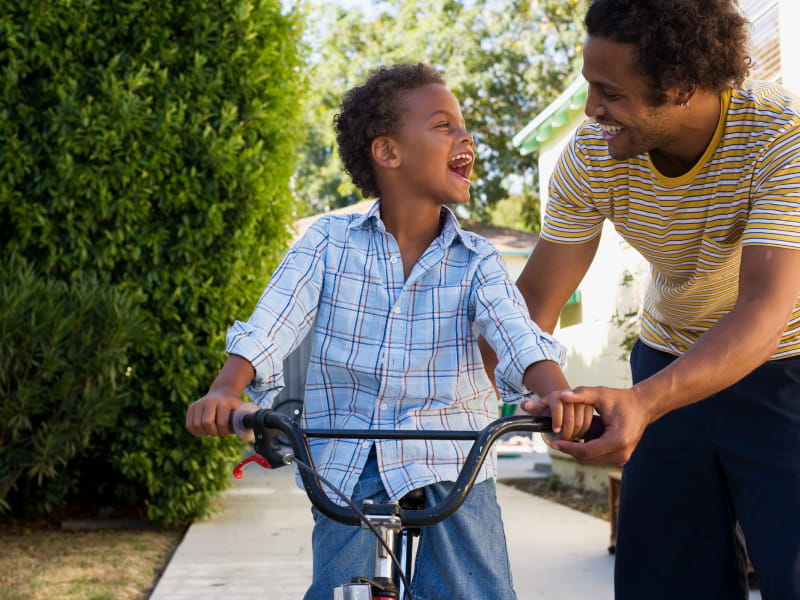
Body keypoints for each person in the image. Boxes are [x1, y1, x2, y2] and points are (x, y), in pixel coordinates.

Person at [185, 63, 592, 600]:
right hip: (346, 460)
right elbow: (273, 322)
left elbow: (517, 335)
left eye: (463, 126)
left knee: (475, 588)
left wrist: (557, 392)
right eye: (444, 125)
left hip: (454, 460)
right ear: (388, 152)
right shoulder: (329, 242)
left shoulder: (477, 259)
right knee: (339, 587)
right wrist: (226, 390)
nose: (465, 137)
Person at [512, 1, 800, 598]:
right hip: (667, 358)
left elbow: (764, 311)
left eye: (610, 93)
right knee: (664, 581)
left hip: (785, 370)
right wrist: (548, 394)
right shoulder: (594, 154)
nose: (592, 110)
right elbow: (534, 301)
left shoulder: (781, 140)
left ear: (682, 88)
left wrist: (642, 402)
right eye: (590, 86)